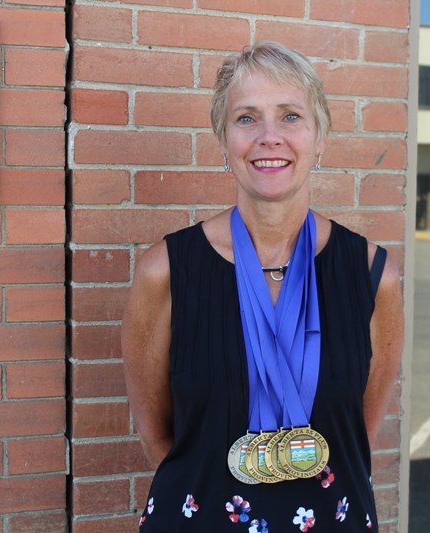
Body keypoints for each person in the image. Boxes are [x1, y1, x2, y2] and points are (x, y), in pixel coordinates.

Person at [121, 41, 404, 532]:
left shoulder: (372, 275)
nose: (269, 136)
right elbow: (156, 437)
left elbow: (359, 432)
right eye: (247, 118)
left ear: (320, 140)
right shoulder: (165, 272)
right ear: (223, 140)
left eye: (291, 116)